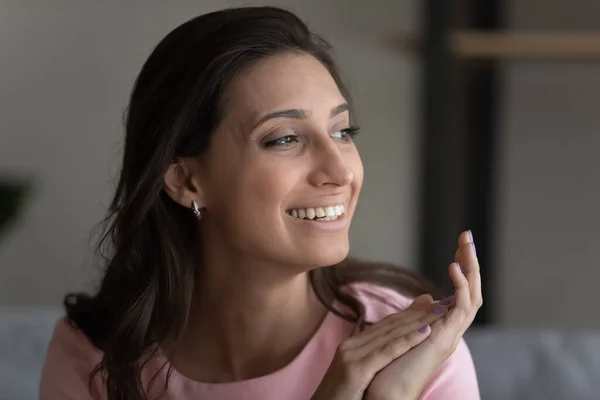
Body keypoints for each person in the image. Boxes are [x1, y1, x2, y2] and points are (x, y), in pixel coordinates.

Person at [39, 6, 482, 400]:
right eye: (285, 138)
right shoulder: (94, 355)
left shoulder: (419, 351)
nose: (341, 171)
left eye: (342, 132)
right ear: (186, 181)